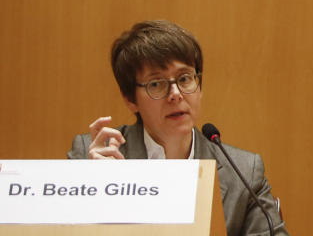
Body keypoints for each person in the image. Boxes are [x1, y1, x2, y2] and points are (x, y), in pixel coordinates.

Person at [68, 20, 289, 235]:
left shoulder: (243, 173)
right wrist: (92, 189)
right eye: (156, 83)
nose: (175, 94)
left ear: (199, 85)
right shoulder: (93, 158)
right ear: (130, 99)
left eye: (184, 79)